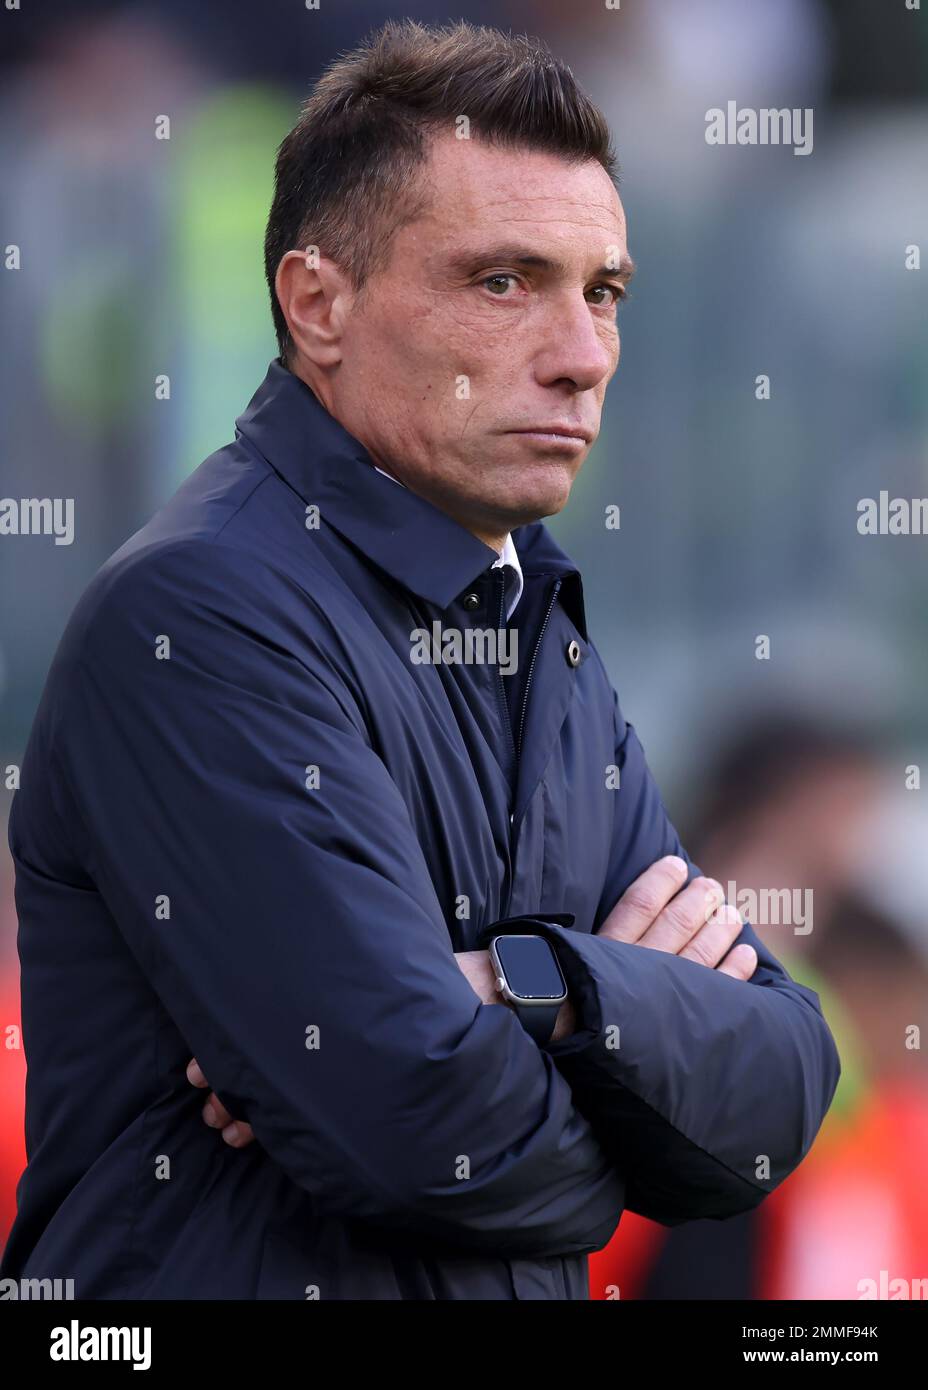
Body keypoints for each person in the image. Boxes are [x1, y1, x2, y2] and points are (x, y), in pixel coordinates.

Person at [1, 21, 839, 1301]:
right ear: (316, 304)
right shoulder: (198, 612)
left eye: (601, 290)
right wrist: (624, 1065)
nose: (582, 354)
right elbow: (424, 1125)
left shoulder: (534, 614)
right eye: (503, 282)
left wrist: (535, 981)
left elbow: (781, 1081)